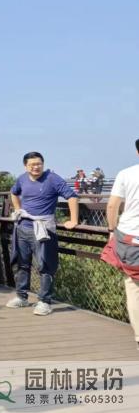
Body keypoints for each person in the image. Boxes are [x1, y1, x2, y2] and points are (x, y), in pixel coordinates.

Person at [6, 152, 79, 316]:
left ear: (43, 164)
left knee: (45, 265)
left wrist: (73, 220)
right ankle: (21, 297)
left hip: (43, 228)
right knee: (21, 263)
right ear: (25, 166)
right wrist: (18, 209)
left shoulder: (52, 178)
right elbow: (14, 192)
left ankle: (45, 301)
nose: (36, 167)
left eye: (39, 164)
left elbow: (72, 197)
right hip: (23, 227)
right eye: (32, 164)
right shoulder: (22, 179)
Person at [105, 139, 139, 348]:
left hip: (130, 237)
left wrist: (111, 230)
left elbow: (112, 206)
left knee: (134, 288)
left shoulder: (126, 174)